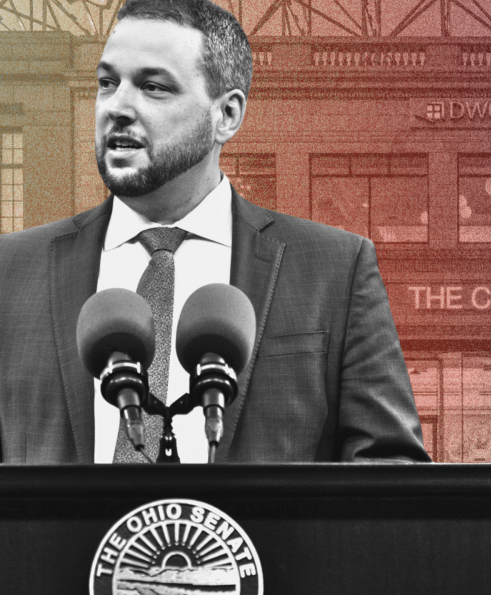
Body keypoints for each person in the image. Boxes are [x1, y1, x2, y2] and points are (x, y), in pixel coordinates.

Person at [0, 0, 429, 464]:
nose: (117, 107)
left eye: (153, 87)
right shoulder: (10, 271)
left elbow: (391, 479)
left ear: (226, 115)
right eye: (108, 83)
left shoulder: (336, 270)